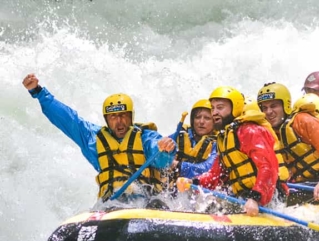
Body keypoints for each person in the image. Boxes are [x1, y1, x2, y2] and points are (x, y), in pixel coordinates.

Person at [22, 73, 177, 205]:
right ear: (107, 120)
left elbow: (161, 158)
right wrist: (38, 92)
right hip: (111, 204)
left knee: (158, 204)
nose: (119, 121)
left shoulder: (145, 137)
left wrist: (165, 149)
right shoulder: (94, 140)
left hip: (145, 202)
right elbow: (69, 120)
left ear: (131, 118)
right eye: (113, 117)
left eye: (124, 116)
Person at [177, 86, 281, 217]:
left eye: (220, 108)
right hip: (244, 197)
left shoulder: (249, 131)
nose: (214, 112)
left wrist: (255, 198)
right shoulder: (224, 137)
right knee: (210, 207)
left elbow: (268, 167)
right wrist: (193, 182)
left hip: (268, 198)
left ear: (235, 108)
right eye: (213, 108)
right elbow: (216, 175)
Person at [257, 82, 319, 203]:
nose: (268, 112)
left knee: (279, 198)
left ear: (285, 105)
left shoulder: (304, 121)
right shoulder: (271, 133)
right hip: (302, 185)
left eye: (273, 106)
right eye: (264, 108)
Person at [175, 99, 218, 179]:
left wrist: (178, 166)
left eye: (207, 118)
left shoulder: (218, 144)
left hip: (199, 187)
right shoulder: (180, 135)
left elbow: (209, 168)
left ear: (214, 122)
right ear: (192, 120)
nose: (201, 122)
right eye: (197, 117)